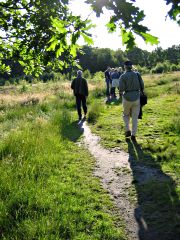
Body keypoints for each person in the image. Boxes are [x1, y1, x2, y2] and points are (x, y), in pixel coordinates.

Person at [119, 60, 144, 141]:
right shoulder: (137, 74)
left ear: (124, 67)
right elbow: (142, 86)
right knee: (134, 117)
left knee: (125, 115)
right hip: (137, 97)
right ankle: (133, 134)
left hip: (127, 97)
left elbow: (121, 89)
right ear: (131, 66)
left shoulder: (123, 76)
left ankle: (127, 130)